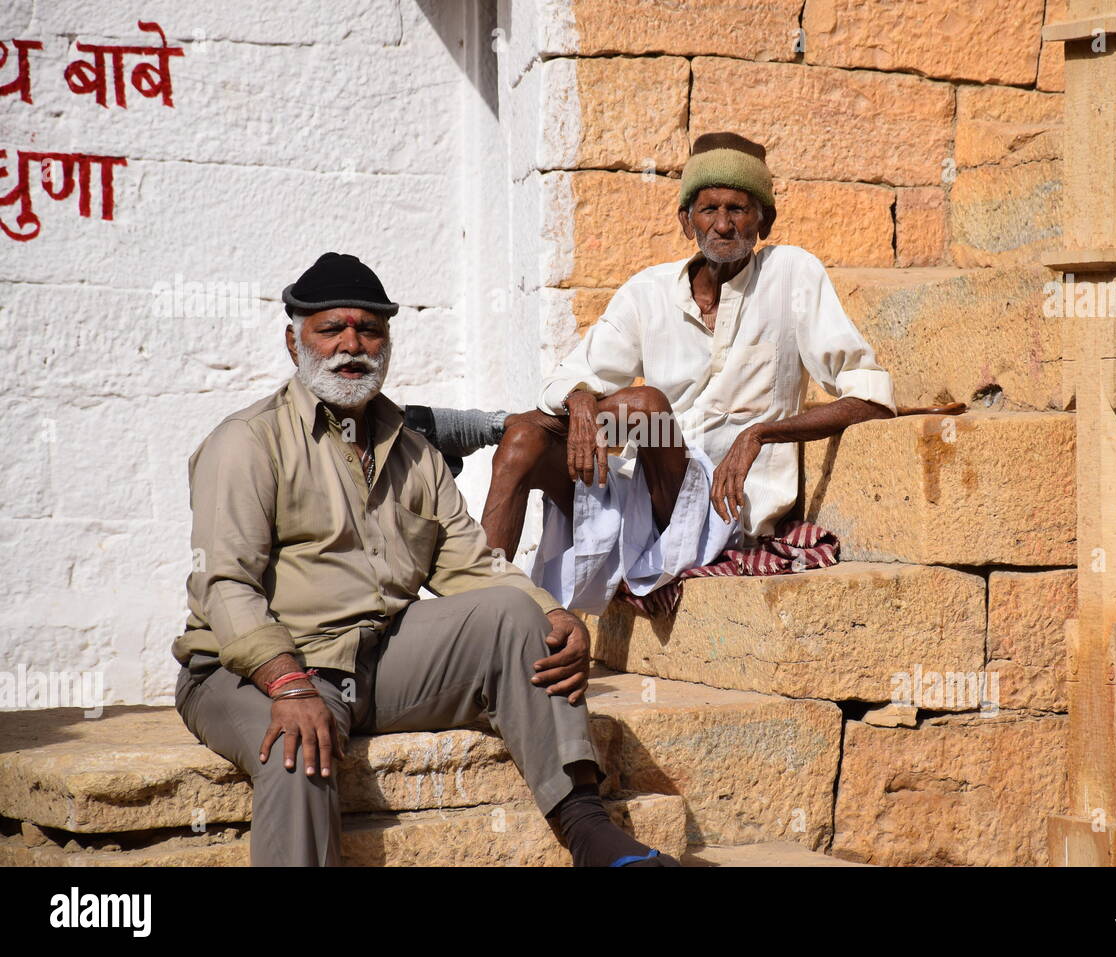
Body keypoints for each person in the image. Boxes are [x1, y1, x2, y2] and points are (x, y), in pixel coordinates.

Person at [172, 252, 677, 867]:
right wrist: (286, 683)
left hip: (374, 662)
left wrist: (554, 614)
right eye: (331, 329)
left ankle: (588, 831)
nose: (351, 345)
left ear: (387, 341)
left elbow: (472, 562)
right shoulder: (247, 442)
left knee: (513, 614)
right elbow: (225, 585)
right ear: (293, 339)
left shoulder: (412, 450)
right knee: (296, 748)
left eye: (370, 330)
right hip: (254, 671)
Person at [481, 132, 897, 614]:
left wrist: (759, 434)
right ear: (686, 221)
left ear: (764, 220)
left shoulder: (791, 275)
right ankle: (487, 613)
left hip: (725, 514)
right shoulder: (648, 291)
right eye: (708, 210)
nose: (723, 225)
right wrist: (578, 402)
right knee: (522, 436)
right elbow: (565, 378)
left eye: (739, 210)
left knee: (645, 405)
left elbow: (869, 398)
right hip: (645, 497)